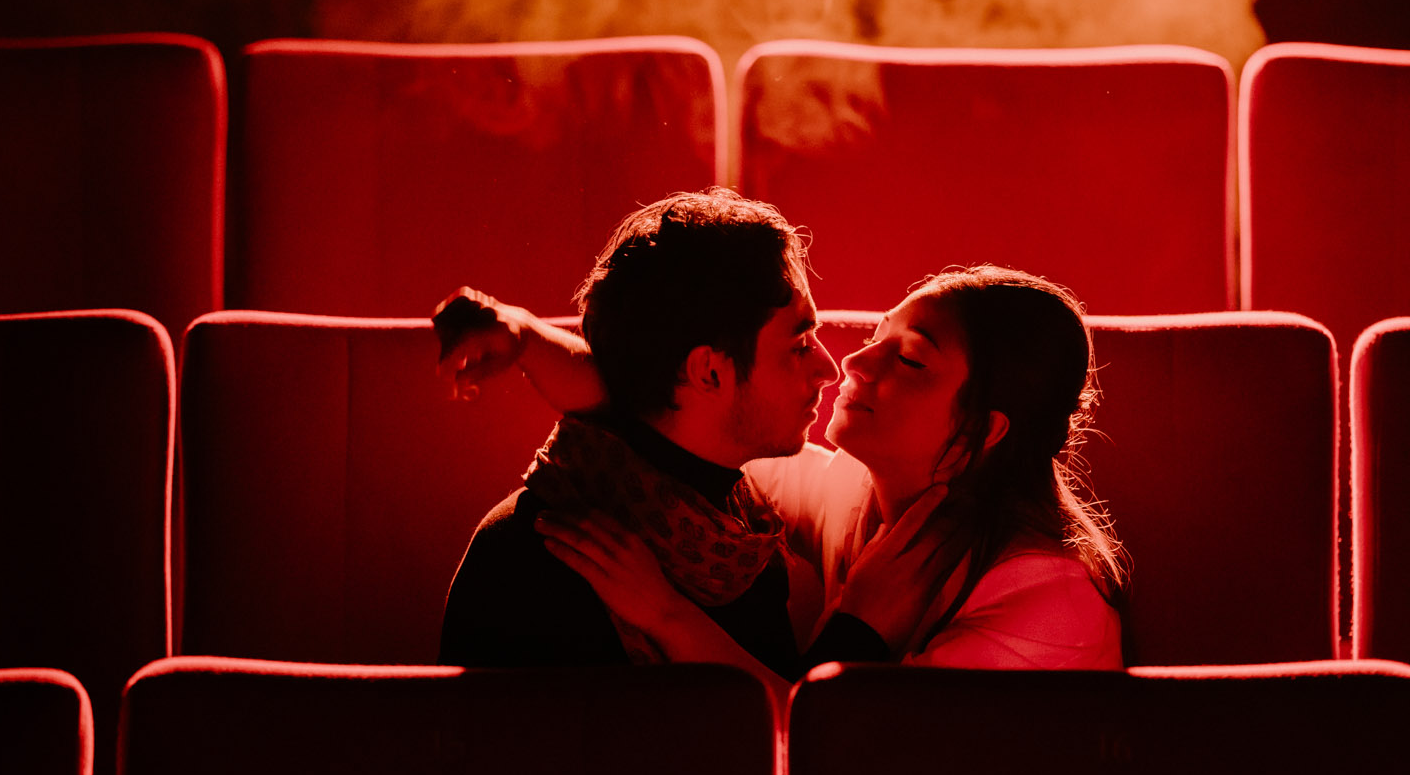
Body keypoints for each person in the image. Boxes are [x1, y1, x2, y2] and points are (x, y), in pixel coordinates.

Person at [441, 262, 1126, 687]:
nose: (852, 365)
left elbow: (842, 752)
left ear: (988, 428)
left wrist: (666, 614)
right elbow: (672, 404)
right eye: (876, 338)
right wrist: (524, 336)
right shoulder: (854, 492)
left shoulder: (1048, 604)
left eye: (910, 361)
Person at [437, 189, 903, 697]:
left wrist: (525, 333)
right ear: (709, 372)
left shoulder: (737, 527)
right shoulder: (547, 563)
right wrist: (861, 631)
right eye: (798, 346)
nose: (827, 369)